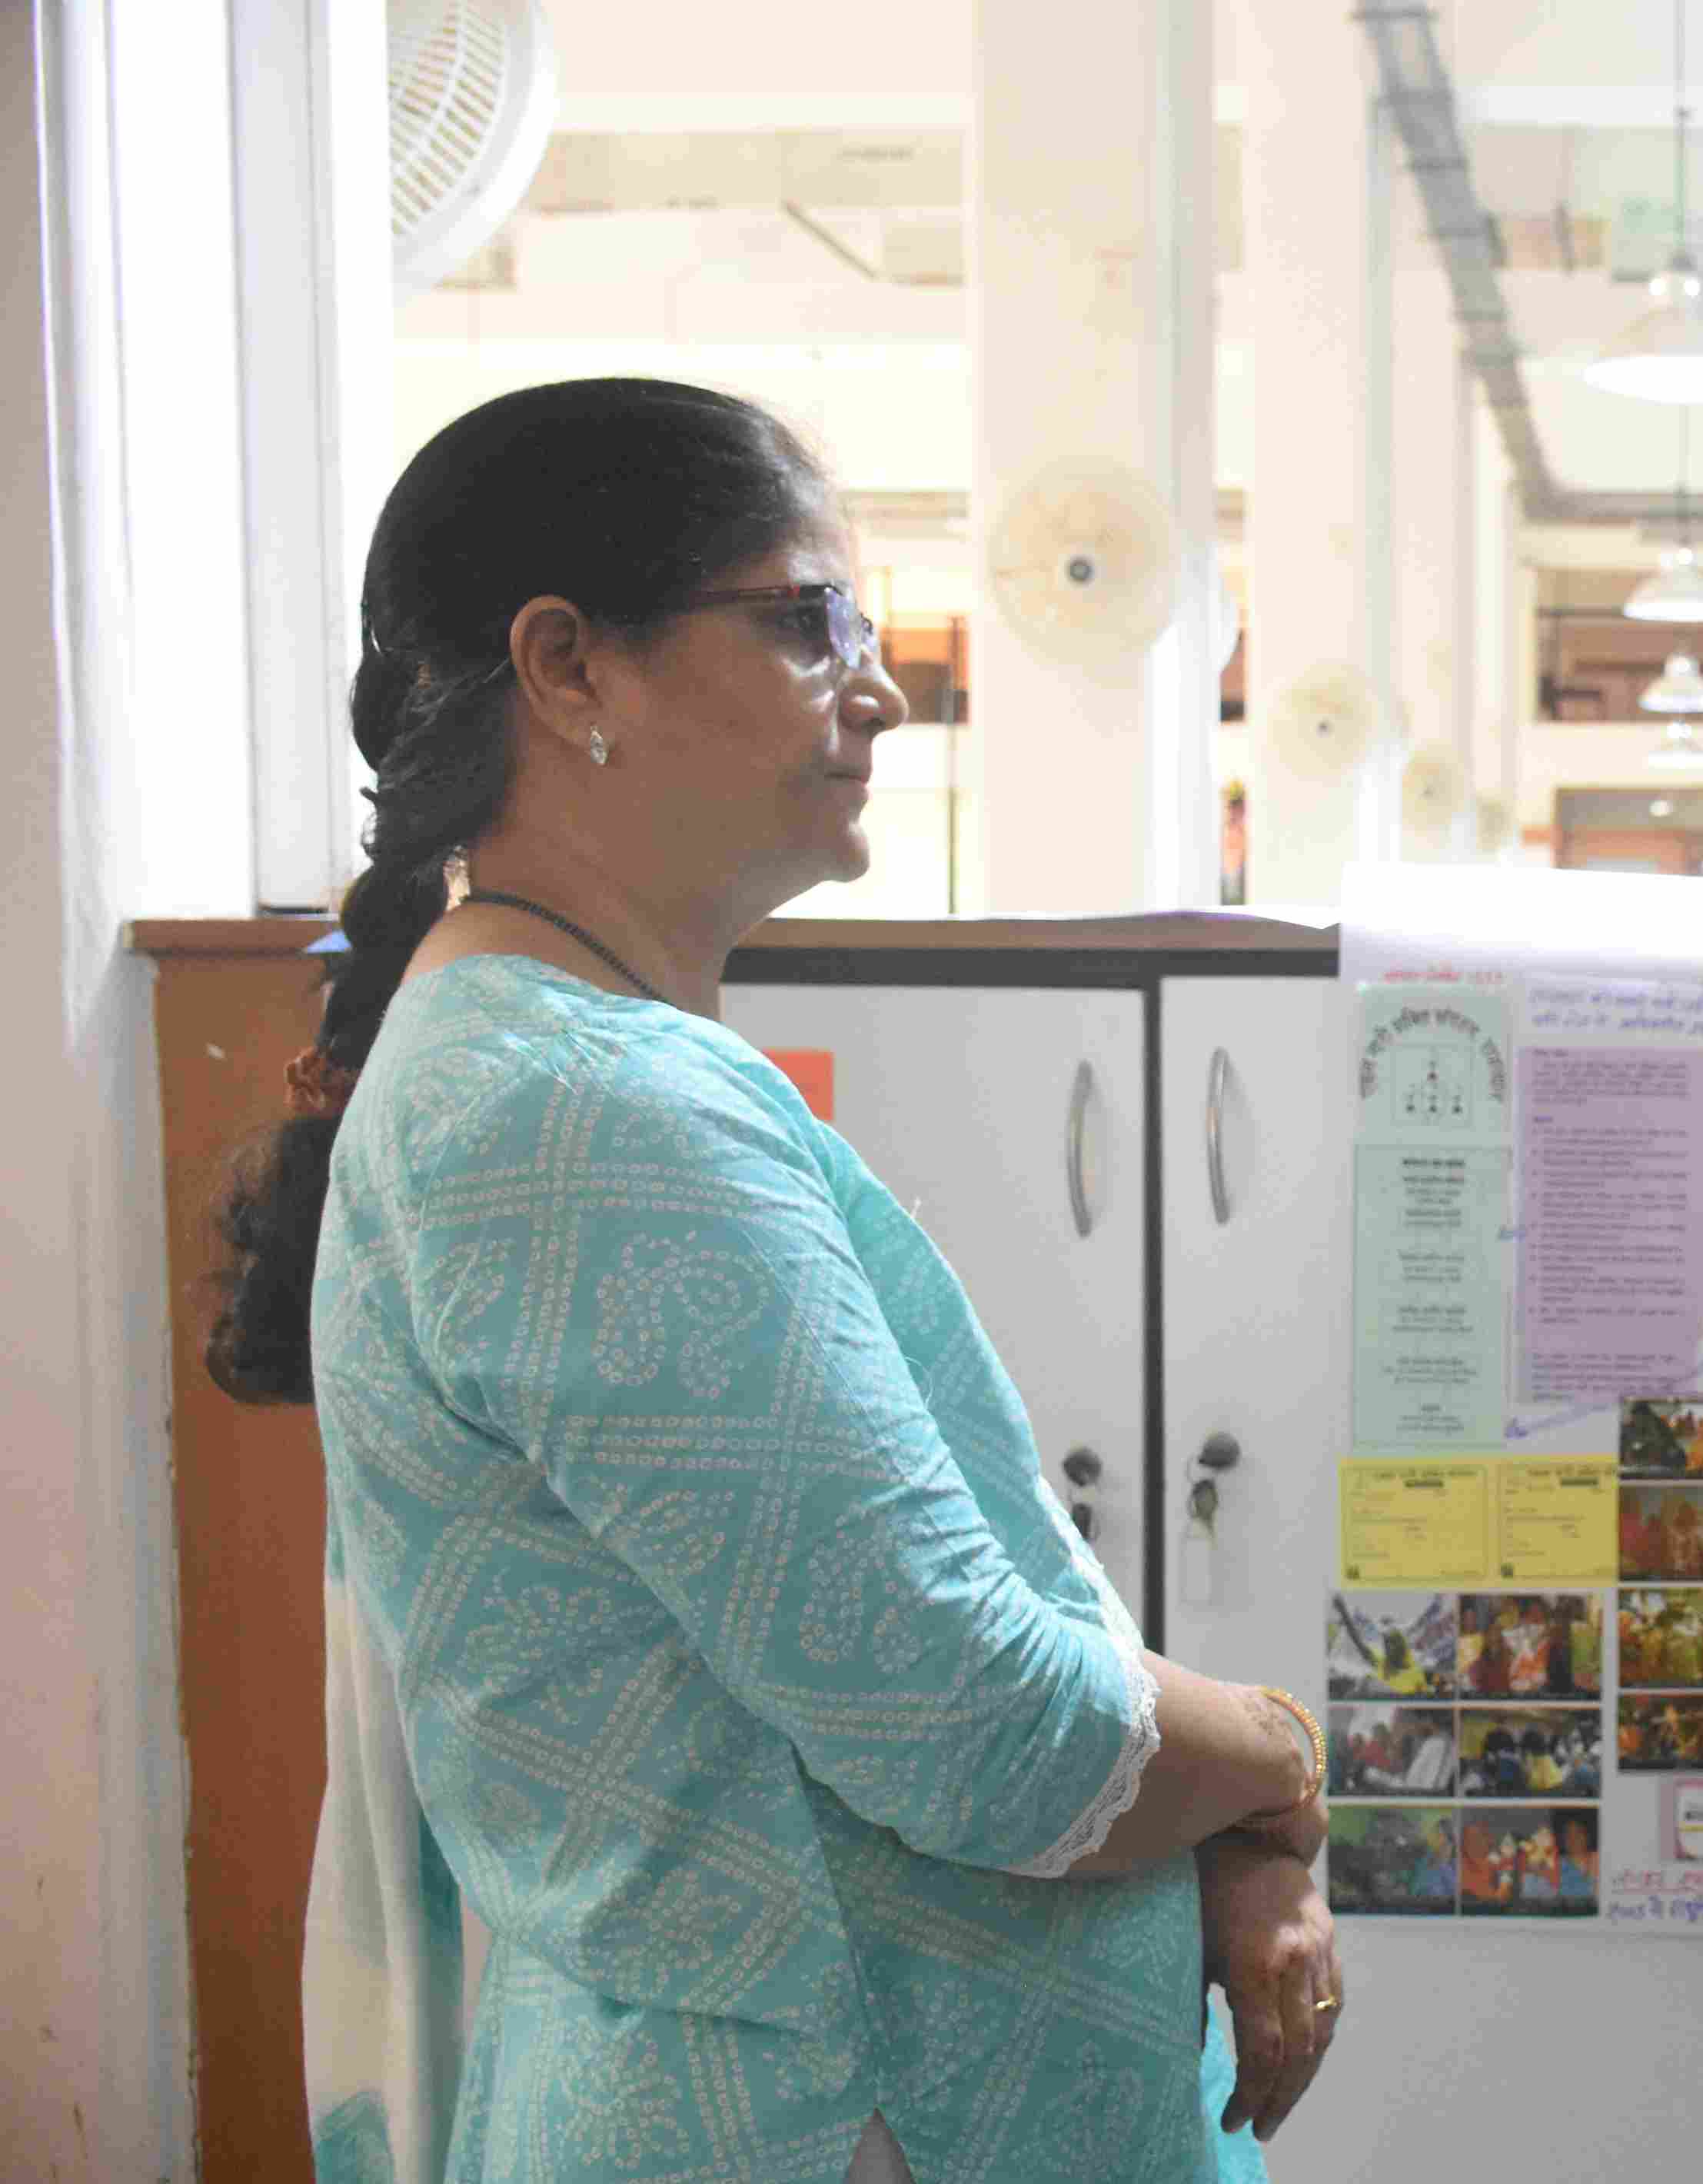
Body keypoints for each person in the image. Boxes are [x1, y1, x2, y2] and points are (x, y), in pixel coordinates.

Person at [202, 380, 1345, 2184]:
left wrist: (1232, 1822)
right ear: (570, 667)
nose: (880, 687)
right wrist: (1279, 1759)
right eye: (812, 620)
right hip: (825, 2109)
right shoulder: (579, 1111)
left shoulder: (553, 1064)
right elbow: (979, 1722)